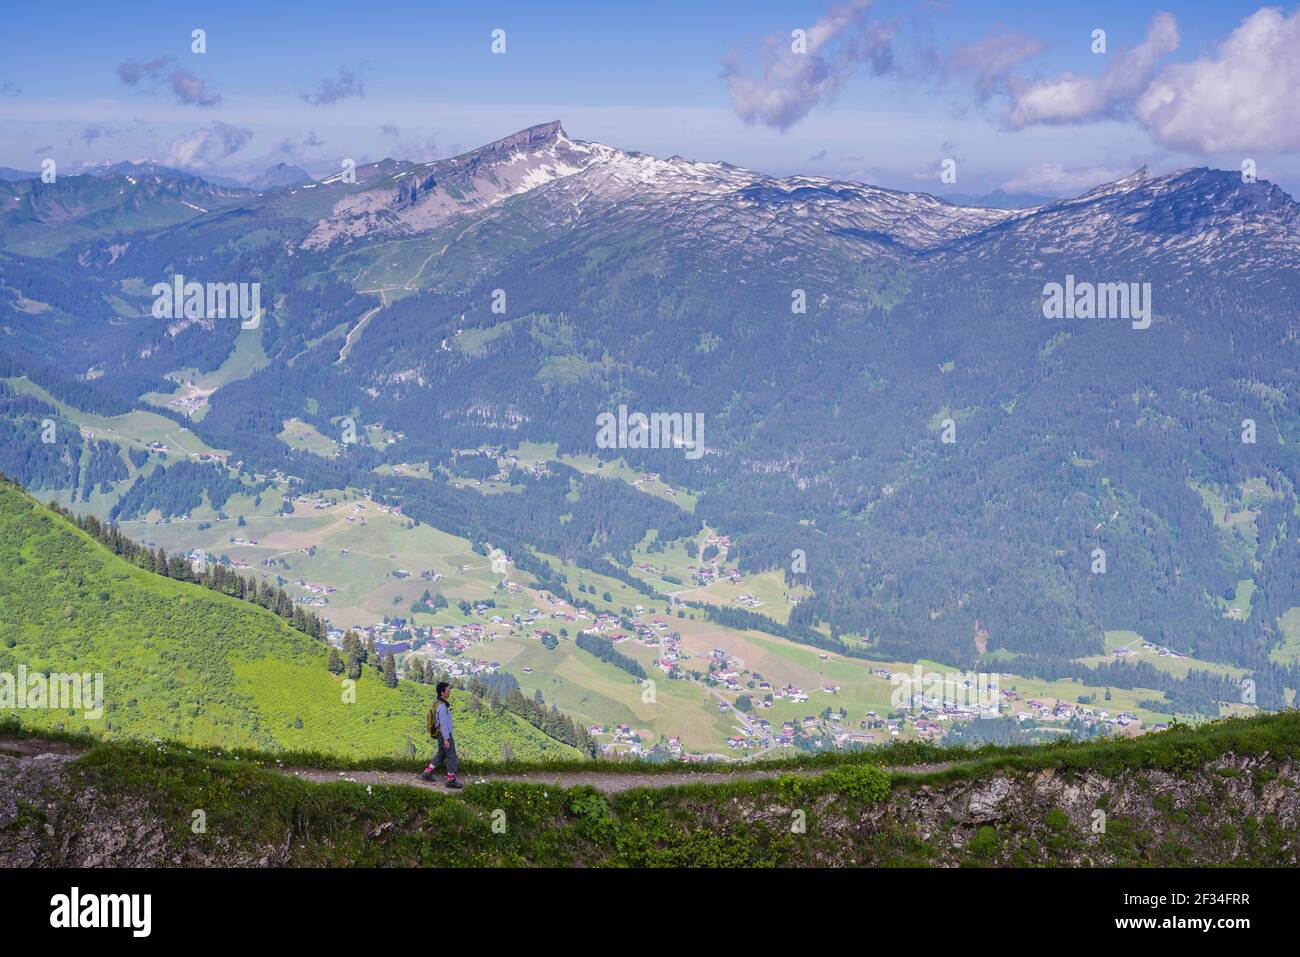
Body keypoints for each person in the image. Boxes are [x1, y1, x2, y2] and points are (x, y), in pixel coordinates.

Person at [422, 682, 462, 788]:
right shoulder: (442, 706)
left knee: (441, 754)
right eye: (448, 690)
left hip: (440, 735)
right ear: (442, 692)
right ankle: (451, 780)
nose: (449, 691)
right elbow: (443, 724)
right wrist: (446, 739)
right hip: (444, 735)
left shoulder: (436, 702)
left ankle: (427, 773)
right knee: (451, 756)